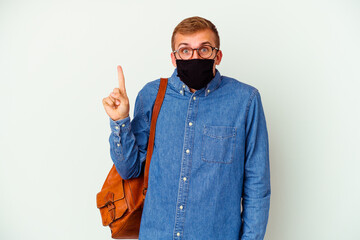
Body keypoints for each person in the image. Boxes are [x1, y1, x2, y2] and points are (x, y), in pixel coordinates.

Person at [102, 16, 270, 240]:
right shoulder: (152, 96)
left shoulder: (245, 100)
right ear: (174, 58)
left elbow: (257, 186)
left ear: (217, 56)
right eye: (185, 51)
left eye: (204, 49)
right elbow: (129, 170)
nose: (195, 56)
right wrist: (120, 120)